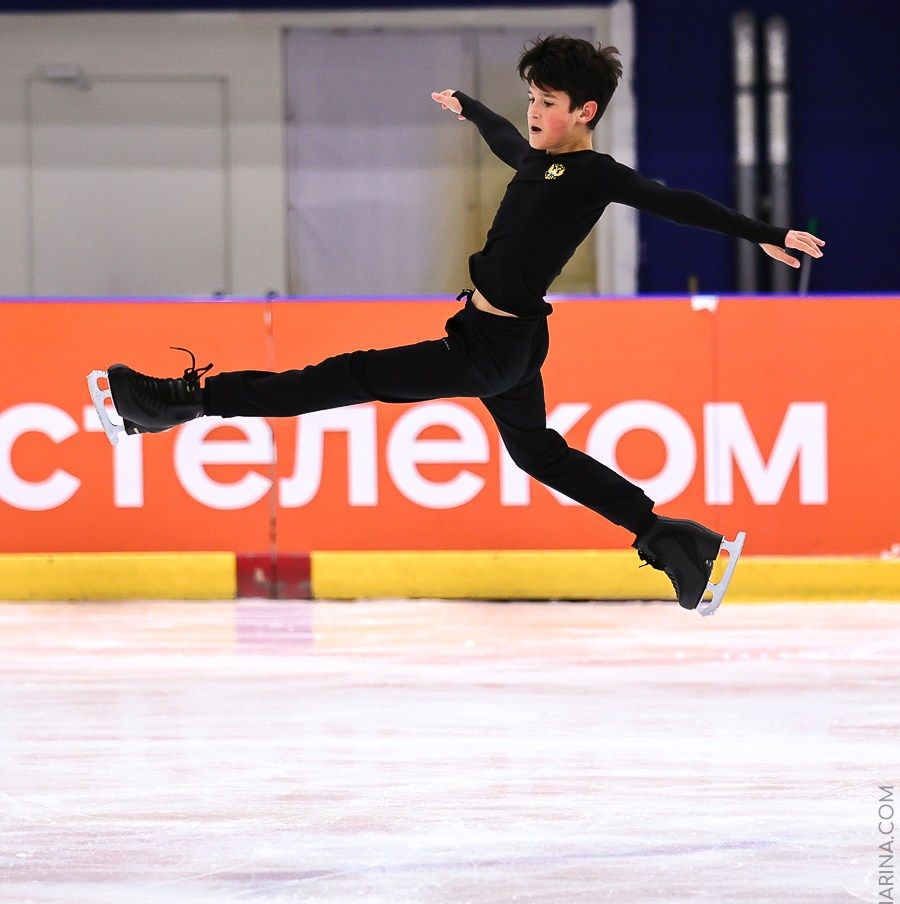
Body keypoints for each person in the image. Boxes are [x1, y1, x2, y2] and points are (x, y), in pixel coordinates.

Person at [88, 35, 824, 615]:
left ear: (586, 112)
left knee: (341, 378)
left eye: (549, 101)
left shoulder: (593, 174)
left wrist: (764, 231)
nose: (534, 111)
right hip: (510, 341)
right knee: (540, 454)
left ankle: (173, 405)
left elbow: (674, 201)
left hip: (490, 347)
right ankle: (670, 539)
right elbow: (505, 140)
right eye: (532, 97)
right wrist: (473, 108)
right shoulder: (537, 159)